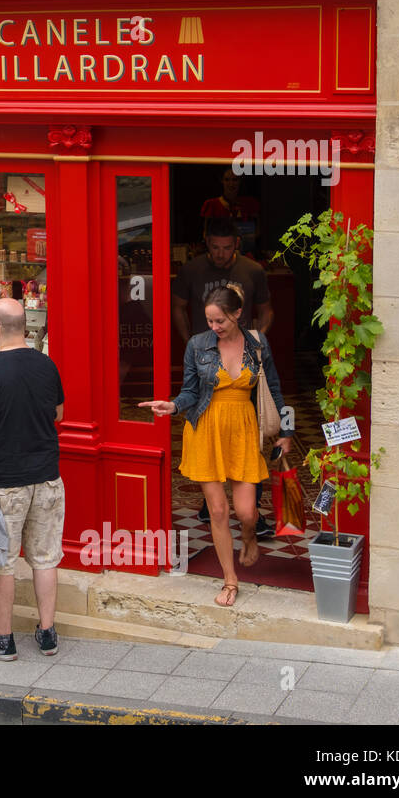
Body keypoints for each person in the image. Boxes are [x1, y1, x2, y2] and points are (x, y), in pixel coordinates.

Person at [140, 283, 295, 607]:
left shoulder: (257, 343)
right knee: (219, 511)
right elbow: (190, 391)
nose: (214, 327)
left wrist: (287, 430)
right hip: (206, 430)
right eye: (210, 321)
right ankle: (230, 580)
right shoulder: (198, 345)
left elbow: (276, 387)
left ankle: (250, 536)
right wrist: (173, 406)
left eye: (220, 321)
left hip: (243, 431)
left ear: (237, 314)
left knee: (247, 512)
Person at [0, 298, 65, 661]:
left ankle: (4, 639)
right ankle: (47, 633)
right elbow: (58, 412)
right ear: (25, 326)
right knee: (45, 558)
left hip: (5, 483)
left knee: (3, 563)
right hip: (48, 478)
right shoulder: (46, 365)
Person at [171, 216, 275, 535]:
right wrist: (190, 338)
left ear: (236, 244)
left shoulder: (252, 270)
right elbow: (177, 306)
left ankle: (251, 515)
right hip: (207, 363)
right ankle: (212, 504)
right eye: (214, 247)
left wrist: (255, 343)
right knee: (210, 431)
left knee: (247, 438)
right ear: (206, 242)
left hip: (243, 366)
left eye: (226, 248)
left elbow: (267, 310)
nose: (220, 254)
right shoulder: (192, 270)